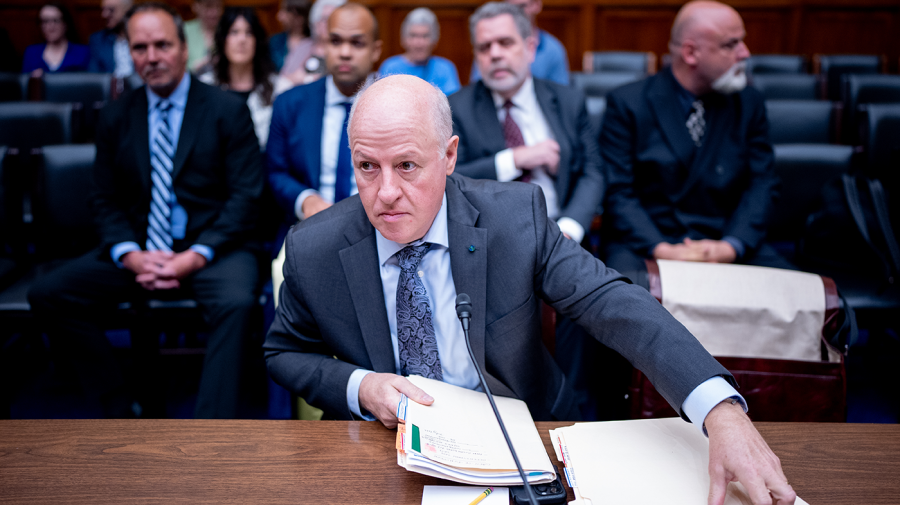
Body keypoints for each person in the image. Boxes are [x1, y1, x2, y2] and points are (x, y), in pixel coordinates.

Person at [263, 73, 797, 505]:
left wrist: (719, 410)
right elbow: (284, 352)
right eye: (366, 167)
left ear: (448, 157)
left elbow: (614, 302)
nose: (386, 193)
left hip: (527, 438)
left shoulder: (515, 218)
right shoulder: (314, 248)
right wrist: (361, 386)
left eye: (407, 165)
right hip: (384, 450)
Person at [27, 2, 265, 419]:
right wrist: (130, 254)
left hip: (212, 248)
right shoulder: (117, 114)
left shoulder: (227, 110)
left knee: (239, 303)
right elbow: (103, 197)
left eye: (161, 45)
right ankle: (121, 409)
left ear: (183, 48)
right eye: (140, 48)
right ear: (131, 53)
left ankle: (210, 433)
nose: (152, 57)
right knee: (49, 294)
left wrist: (193, 257)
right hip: (139, 247)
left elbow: (246, 197)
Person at [600, 0, 793, 273]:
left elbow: (762, 184)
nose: (745, 53)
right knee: (617, 304)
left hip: (726, 239)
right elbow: (618, 192)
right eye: (731, 44)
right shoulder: (628, 103)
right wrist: (662, 249)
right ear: (691, 53)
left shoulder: (749, 103)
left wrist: (731, 245)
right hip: (648, 243)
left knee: (813, 302)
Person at [449, 2, 601, 245]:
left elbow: (592, 171)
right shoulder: (457, 107)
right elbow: (450, 178)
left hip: (562, 231)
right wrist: (515, 159)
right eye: (484, 47)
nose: (495, 54)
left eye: (506, 43)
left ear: (530, 48)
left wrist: (569, 229)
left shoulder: (568, 101)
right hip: (491, 240)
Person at [267, 2, 381, 227]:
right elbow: (275, 172)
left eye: (357, 43)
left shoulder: (397, 106)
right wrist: (304, 199)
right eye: (335, 41)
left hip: (378, 229)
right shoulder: (289, 104)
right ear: (323, 46)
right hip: (308, 227)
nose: (345, 53)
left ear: (375, 50)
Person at [199, 7, 293, 150]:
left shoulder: (281, 88)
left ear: (257, 41)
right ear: (222, 39)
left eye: (249, 33)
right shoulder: (204, 86)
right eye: (234, 32)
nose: (242, 40)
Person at [469, 0, 568, 86]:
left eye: (522, 6)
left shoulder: (553, 49)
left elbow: (559, 95)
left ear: (530, 48)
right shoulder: (489, 48)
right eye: (510, 8)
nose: (516, 13)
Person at [378, 7, 460, 96]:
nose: (419, 43)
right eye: (413, 35)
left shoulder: (445, 68)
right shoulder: (390, 67)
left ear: (434, 40)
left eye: (425, 36)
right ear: (404, 39)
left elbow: (454, 103)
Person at [281, 0, 346, 85]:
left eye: (335, 19)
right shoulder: (304, 46)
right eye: (326, 19)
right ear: (315, 22)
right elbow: (283, 80)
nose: (331, 24)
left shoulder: (344, 51)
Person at [22, 2, 90, 75]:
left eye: (55, 20)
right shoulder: (31, 53)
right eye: (45, 21)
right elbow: (24, 83)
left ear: (65, 24)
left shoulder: (83, 52)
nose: (50, 26)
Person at [88, 0, 134, 76]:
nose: (104, 15)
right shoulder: (98, 39)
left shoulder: (142, 37)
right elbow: (94, 76)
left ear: (127, 10)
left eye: (111, 10)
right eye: (103, 9)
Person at [269, 0, 313, 72]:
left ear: (299, 17)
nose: (279, 16)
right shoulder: (274, 42)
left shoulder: (314, 43)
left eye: (284, 12)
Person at [183, 0, 222, 73]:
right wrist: (196, 67)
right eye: (208, 6)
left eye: (218, 6)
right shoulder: (184, 30)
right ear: (195, 6)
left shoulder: (228, 30)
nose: (215, 12)